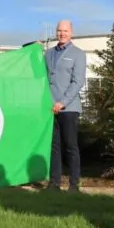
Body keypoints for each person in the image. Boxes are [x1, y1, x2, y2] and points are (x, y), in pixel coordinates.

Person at [46, 20, 86, 193]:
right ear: (56, 32)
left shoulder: (78, 54)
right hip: (49, 108)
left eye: (65, 31)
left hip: (68, 108)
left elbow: (78, 82)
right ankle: (54, 183)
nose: (62, 33)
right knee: (54, 147)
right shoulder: (48, 53)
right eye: (59, 30)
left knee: (70, 146)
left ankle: (73, 185)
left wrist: (62, 102)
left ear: (71, 32)